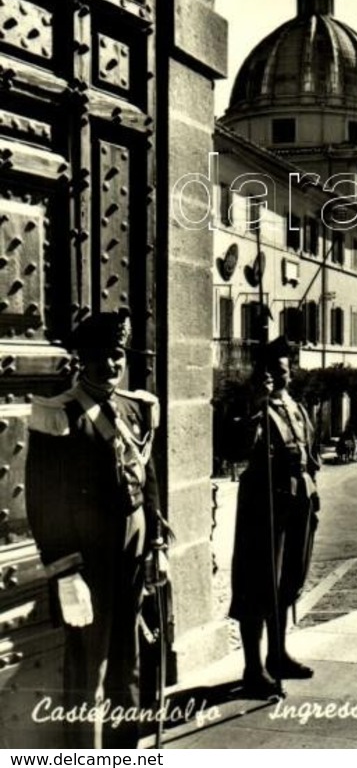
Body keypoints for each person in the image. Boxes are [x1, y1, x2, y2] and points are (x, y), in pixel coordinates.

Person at [26, 310, 167, 749]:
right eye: (103, 355)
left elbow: (149, 478)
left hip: (134, 549)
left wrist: (157, 543)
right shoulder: (60, 414)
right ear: (83, 359)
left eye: (118, 354)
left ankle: (126, 751)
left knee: (129, 657)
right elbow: (43, 501)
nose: (112, 364)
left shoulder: (137, 408)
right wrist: (66, 571)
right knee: (91, 665)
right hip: (88, 558)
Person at [229, 336, 320, 699]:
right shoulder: (253, 406)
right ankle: (253, 668)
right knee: (256, 585)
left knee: (287, 583)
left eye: (285, 370)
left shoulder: (294, 405)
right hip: (263, 507)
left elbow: (308, 452)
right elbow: (235, 450)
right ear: (261, 374)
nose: (283, 377)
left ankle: (278, 655)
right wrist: (255, 405)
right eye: (275, 372)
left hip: (300, 504)